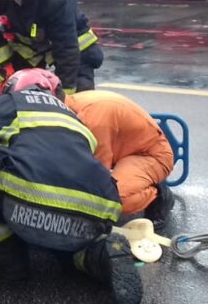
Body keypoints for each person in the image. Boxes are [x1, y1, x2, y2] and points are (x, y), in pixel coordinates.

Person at [0, 68, 142, 304]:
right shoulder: (75, 119)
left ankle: (10, 262)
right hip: (99, 207)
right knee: (65, 249)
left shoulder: (11, 103)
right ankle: (101, 254)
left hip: (35, 194)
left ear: (13, 87)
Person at [65, 89, 176, 225]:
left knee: (114, 200)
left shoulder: (93, 118)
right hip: (124, 151)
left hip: (149, 156)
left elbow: (98, 173)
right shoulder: (70, 105)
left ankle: (158, 195)